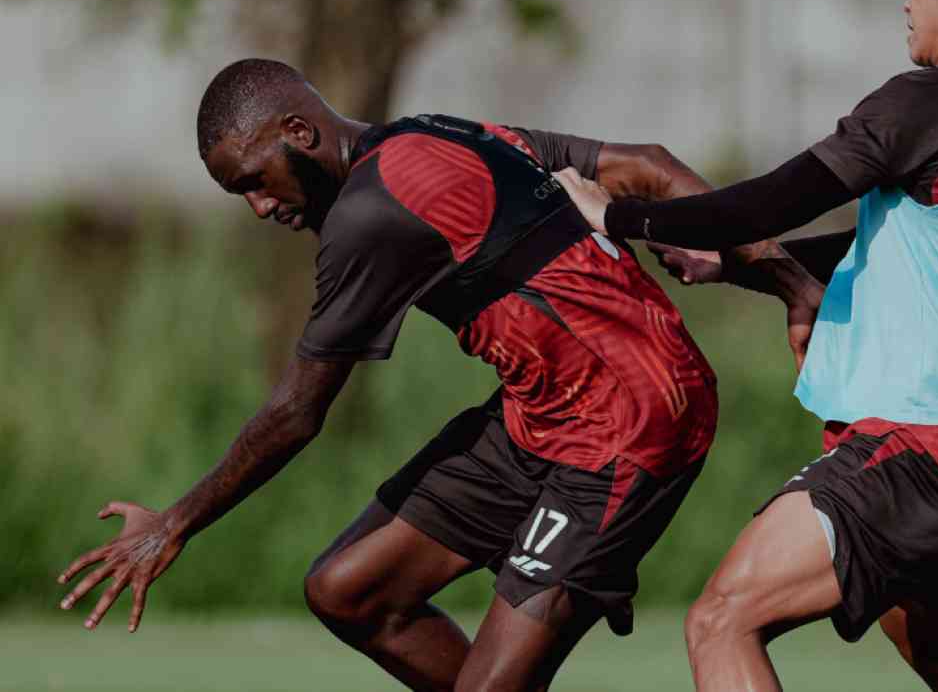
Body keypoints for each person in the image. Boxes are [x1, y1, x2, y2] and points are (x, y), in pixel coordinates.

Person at [54, 59, 808, 691]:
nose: (257, 206)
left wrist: (172, 524)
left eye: (256, 179)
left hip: (629, 423)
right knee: (348, 588)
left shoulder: (369, 213)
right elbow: (649, 166)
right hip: (540, 417)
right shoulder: (432, 133)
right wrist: (786, 283)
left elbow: (296, 411)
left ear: (299, 133)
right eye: (237, 193)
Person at [556, 0, 938, 691]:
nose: (906, 0)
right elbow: (894, 250)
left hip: (934, 448)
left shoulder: (930, 103)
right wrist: (739, 266)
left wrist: (620, 220)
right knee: (926, 638)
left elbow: (775, 194)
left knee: (721, 620)